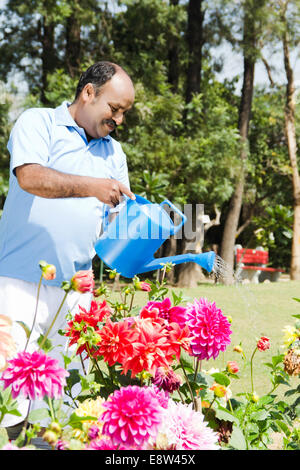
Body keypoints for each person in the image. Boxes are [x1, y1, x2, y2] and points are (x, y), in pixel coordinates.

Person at [0, 61, 135, 434]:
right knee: (12, 389)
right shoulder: (38, 122)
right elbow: (30, 176)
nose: (119, 120)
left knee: (63, 398)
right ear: (88, 93)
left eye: (124, 113)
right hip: (18, 280)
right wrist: (93, 185)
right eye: (115, 109)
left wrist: (138, 232)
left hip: (76, 291)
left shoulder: (115, 155)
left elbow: (115, 223)